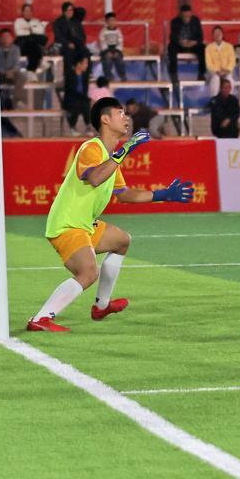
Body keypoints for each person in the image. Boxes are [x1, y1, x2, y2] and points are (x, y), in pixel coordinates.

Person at [26, 98, 194, 332]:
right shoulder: (91, 148)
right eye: (120, 113)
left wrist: (163, 194)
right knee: (88, 272)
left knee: (122, 241)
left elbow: (125, 195)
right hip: (68, 225)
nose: (126, 118)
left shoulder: (110, 157)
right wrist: (124, 151)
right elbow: (95, 178)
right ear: (105, 119)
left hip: (85, 225)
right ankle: (41, 318)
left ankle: (101, 306)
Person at [167, 4, 206, 81]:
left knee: (203, 48)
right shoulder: (175, 21)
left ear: (191, 14)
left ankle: (201, 74)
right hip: (180, 45)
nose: (186, 19)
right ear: (181, 15)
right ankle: (174, 75)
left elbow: (200, 37)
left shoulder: (196, 20)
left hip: (192, 45)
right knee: (171, 47)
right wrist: (180, 42)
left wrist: (194, 42)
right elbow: (172, 37)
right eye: (184, 16)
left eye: (188, 16)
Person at [14, 3, 49, 72]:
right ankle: (33, 69)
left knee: (38, 40)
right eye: (26, 11)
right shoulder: (18, 21)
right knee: (31, 42)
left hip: (34, 43)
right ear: (23, 12)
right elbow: (19, 33)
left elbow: (41, 31)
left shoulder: (36, 21)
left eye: (30, 11)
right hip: (23, 45)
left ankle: (32, 69)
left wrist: (27, 30)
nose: (28, 13)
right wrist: (33, 30)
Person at [62, 56, 91, 135]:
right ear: (78, 64)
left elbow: (85, 90)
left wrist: (87, 98)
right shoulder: (70, 74)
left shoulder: (85, 75)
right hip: (71, 98)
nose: (87, 66)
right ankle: (73, 127)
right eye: (85, 63)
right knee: (77, 103)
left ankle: (88, 126)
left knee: (85, 103)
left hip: (82, 98)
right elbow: (70, 90)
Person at [205, 26, 236, 96]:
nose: (217, 35)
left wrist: (226, 70)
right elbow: (209, 64)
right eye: (215, 33)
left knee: (229, 79)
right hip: (213, 73)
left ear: (222, 34)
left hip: (226, 72)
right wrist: (217, 71)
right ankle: (214, 99)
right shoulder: (208, 48)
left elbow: (232, 61)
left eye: (219, 33)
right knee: (216, 79)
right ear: (213, 35)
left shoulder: (229, 47)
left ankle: (229, 98)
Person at [0, 29, 26, 109]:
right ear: (0, 38)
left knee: (21, 76)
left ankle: (17, 101)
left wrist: (12, 71)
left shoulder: (16, 49)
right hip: (0, 74)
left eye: (8, 37)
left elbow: (17, 64)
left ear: (12, 38)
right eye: (4, 37)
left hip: (12, 74)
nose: (6, 39)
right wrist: (4, 72)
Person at [99, 12, 127, 81]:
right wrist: (107, 51)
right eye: (110, 20)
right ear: (106, 22)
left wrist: (117, 51)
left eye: (113, 20)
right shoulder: (103, 31)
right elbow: (102, 42)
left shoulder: (118, 31)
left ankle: (122, 76)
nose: (112, 22)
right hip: (106, 50)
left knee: (119, 59)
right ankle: (109, 76)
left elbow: (120, 41)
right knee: (107, 59)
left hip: (116, 49)